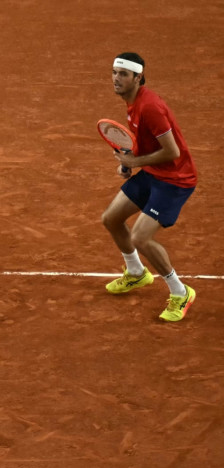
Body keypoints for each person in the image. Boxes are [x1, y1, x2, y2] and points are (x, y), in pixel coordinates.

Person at [101, 52, 198, 322]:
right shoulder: (133, 103)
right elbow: (144, 144)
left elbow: (172, 152)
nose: (116, 78)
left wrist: (137, 160)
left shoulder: (150, 107)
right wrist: (129, 163)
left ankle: (180, 292)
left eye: (123, 74)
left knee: (140, 238)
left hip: (175, 180)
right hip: (153, 173)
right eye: (114, 72)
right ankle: (136, 273)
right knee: (111, 218)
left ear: (138, 77)